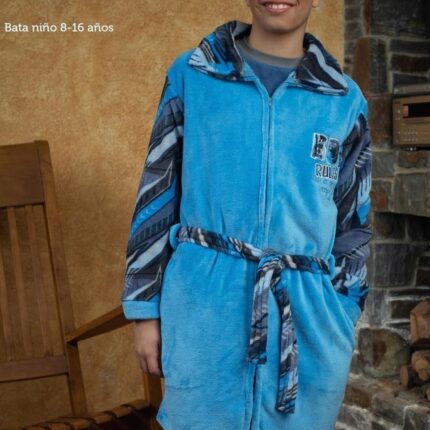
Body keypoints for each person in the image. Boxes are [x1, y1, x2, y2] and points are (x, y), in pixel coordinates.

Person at [120, 0, 373, 428]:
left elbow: (354, 222)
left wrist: (342, 311)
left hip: (309, 319)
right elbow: (156, 192)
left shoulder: (344, 99)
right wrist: (144, 310)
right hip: (203, 311)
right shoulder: (194, 75)